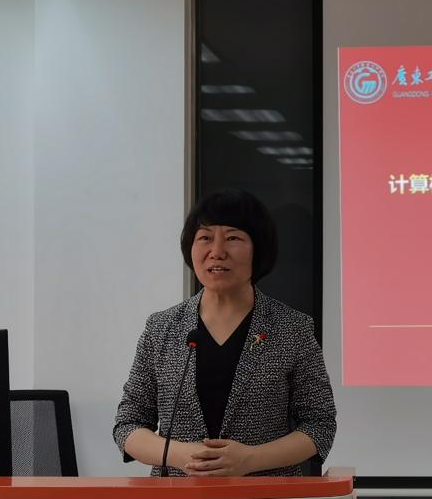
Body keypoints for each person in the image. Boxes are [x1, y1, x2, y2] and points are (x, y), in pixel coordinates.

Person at [113, 189, 336, 477]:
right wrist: (181, 455)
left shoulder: (292, 328)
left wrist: (250, 459)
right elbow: (128, 425)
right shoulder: (162, 328)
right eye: (205, 238)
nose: (217, 251)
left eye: (233, 238)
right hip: (178, 498)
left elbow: (319, 425)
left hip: (266, 498)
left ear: (258, 250)